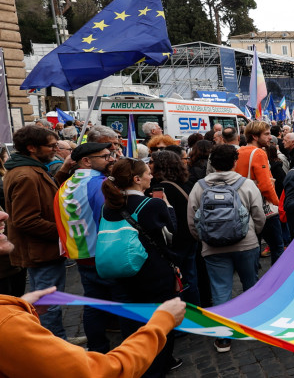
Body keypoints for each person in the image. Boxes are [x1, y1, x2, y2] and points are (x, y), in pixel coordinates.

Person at [0, 208, 187, 378]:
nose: (4, 215)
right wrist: (161, 322)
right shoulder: (7, 323)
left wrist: (22, 307)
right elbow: (101, 372)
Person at [100, 158, 180, 375]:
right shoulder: (153, 204)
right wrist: (169, 208)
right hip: (153, 274)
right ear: (136, 179)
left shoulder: (109, 205)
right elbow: (171, 235)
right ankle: (159, 366)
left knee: (132, 324)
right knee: (160, 324)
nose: (151, 176)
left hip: (123, 273)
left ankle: (137, 364)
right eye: (147, 173)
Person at [187, 143, 266, 353]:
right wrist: (253, 234)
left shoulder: (199, 186)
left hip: (212, 248)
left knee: (220, 289)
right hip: (246, 243)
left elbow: (192, 220)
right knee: (251, 283)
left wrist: (204, 239)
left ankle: (223, 338)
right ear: (234, 162)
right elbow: (259, 214)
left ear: (212, 164)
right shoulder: (246, 184)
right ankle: (253, 326)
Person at [3, 125, 66, 339]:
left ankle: (56, 338)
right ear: (31, 148)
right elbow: (26, 220)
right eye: (51, 146)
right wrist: (61, 233)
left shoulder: (30, 170)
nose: (55, 150)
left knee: (48, 302)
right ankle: (56, 348)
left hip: (41, 251)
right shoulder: (26, 175)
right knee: (48, 304)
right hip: (41, 252)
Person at [54, 142, 117, 353]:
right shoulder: (101, 184)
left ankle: (98, 348)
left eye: (111, 154)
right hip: (105, 254)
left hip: (81, 254)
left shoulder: (65, 186)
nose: (111, 159)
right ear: (86, 161)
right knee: (123, 302)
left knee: (94, 305)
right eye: (105, 156)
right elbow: (111, 218)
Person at [150, 150, 200, 307]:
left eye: (151, 162)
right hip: (190, 236)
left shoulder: (160, 190)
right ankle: (195, 311)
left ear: (160, 166)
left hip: (175, 242)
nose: (149, 165)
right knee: (190, 276)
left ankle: (181, 316)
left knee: (177, 280)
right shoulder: (187, 183)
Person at [235, 121, 283, 264]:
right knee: (277, 247)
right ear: (255, 137)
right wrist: (278, 204)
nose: (270, 137)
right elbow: (265, 185)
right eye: (266, 134)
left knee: (252, 247)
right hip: (263, 207)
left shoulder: (238, 151)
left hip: (243, 205)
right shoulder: (259, 153)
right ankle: (277, 281)